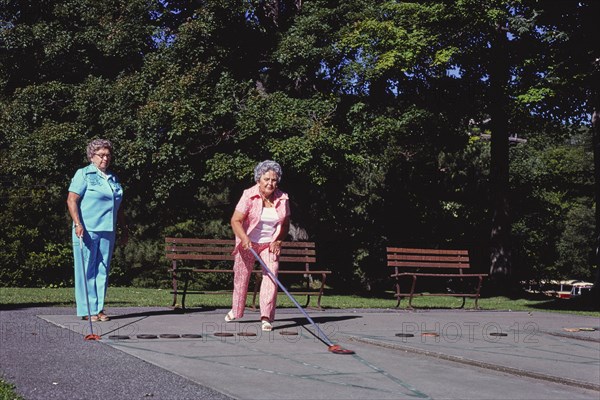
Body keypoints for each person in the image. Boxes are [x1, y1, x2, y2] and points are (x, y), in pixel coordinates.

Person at [66, 139, 127, 322]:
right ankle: (87, 310)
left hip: (108, 230)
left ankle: (99, 309)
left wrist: (124, 228)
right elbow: (72, 200)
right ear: (91, 156)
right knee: (86, 270)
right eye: (101, 155)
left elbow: (118, 206)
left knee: (102, 270)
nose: (105, 158)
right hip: (87, 229)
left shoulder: (113, 178)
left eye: (108, 155)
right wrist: (78, 223)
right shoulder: (83, 174)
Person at [226, 160, 291, 331]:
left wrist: (278, 240)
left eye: (274, 180)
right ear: (258, 179)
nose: (270, 183)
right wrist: (244, 238)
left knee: (271, 276)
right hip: (248, 243)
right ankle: (237, 309)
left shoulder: (283, 198)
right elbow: (235, 220)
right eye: (266, 179)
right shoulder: (248, 195)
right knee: (241, 277)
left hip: (269, 244)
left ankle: (266, 317)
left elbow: (285, 225)